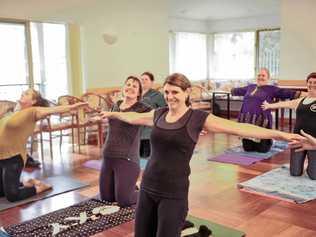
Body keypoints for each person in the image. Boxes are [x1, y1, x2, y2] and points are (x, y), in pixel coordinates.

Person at [99, 73, 303, 237]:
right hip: (148, 187)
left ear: (187, 92)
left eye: (175, 92)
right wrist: (112, 113)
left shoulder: (197, 118)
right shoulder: (159, 113)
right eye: (167, 92)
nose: (170, 97)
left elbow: (239, 128)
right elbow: (134, 117)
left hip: (173, 192)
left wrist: (282, 135)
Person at [0, 88, 87, 202]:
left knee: (12, 196)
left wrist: (71, 107)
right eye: (23, 92)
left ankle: (39, 187)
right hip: (1, 158)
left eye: (26, 94)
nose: (22, 94)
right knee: (1, 193)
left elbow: (53, 110)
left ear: (33, 101)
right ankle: (27, 183)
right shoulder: (12, 113)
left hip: (13, 159)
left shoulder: (33, 112)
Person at [98, 76, 152, 207]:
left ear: (139, 92)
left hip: (127, 159)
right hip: (108, 157)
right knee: (106, 198)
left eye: (135, 86)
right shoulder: (116, 105)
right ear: (123, 88)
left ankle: (149, 192)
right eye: (128, 84)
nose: (130, 88)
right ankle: (130, 186)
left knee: (124, 200)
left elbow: (159, 117)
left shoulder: (142, 108)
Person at [231, 68, 302, 153]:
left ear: (268, 78)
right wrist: (230, 89)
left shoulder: (271, 89)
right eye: (259, 75)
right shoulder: (250, 87)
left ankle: (270, 141)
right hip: (247, 121)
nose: (260, 77)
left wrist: (303, 94)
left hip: (261, 122)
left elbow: (286, 93)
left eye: (263, 75)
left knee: (262, 150)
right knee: (247, 149)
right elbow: (237, 91)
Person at [262, 72, 316, 179]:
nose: (312, 85)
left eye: (315, 83)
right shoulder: (300, 101)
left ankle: (311, 168)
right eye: (310, 82)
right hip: (297, 139)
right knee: (295, 173)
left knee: (314, 176)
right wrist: (269, 105)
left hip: (314, 142)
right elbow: (284, 104)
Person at [139, 71, 166, 158]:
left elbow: (165, 110)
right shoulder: (135, 94)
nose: (143, 81)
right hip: (136, 130)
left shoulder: (157, 95)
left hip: (149, 131)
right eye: (141, 79)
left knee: (147, 157)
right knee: (138, 157)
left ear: (152, 82)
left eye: (146, 79)